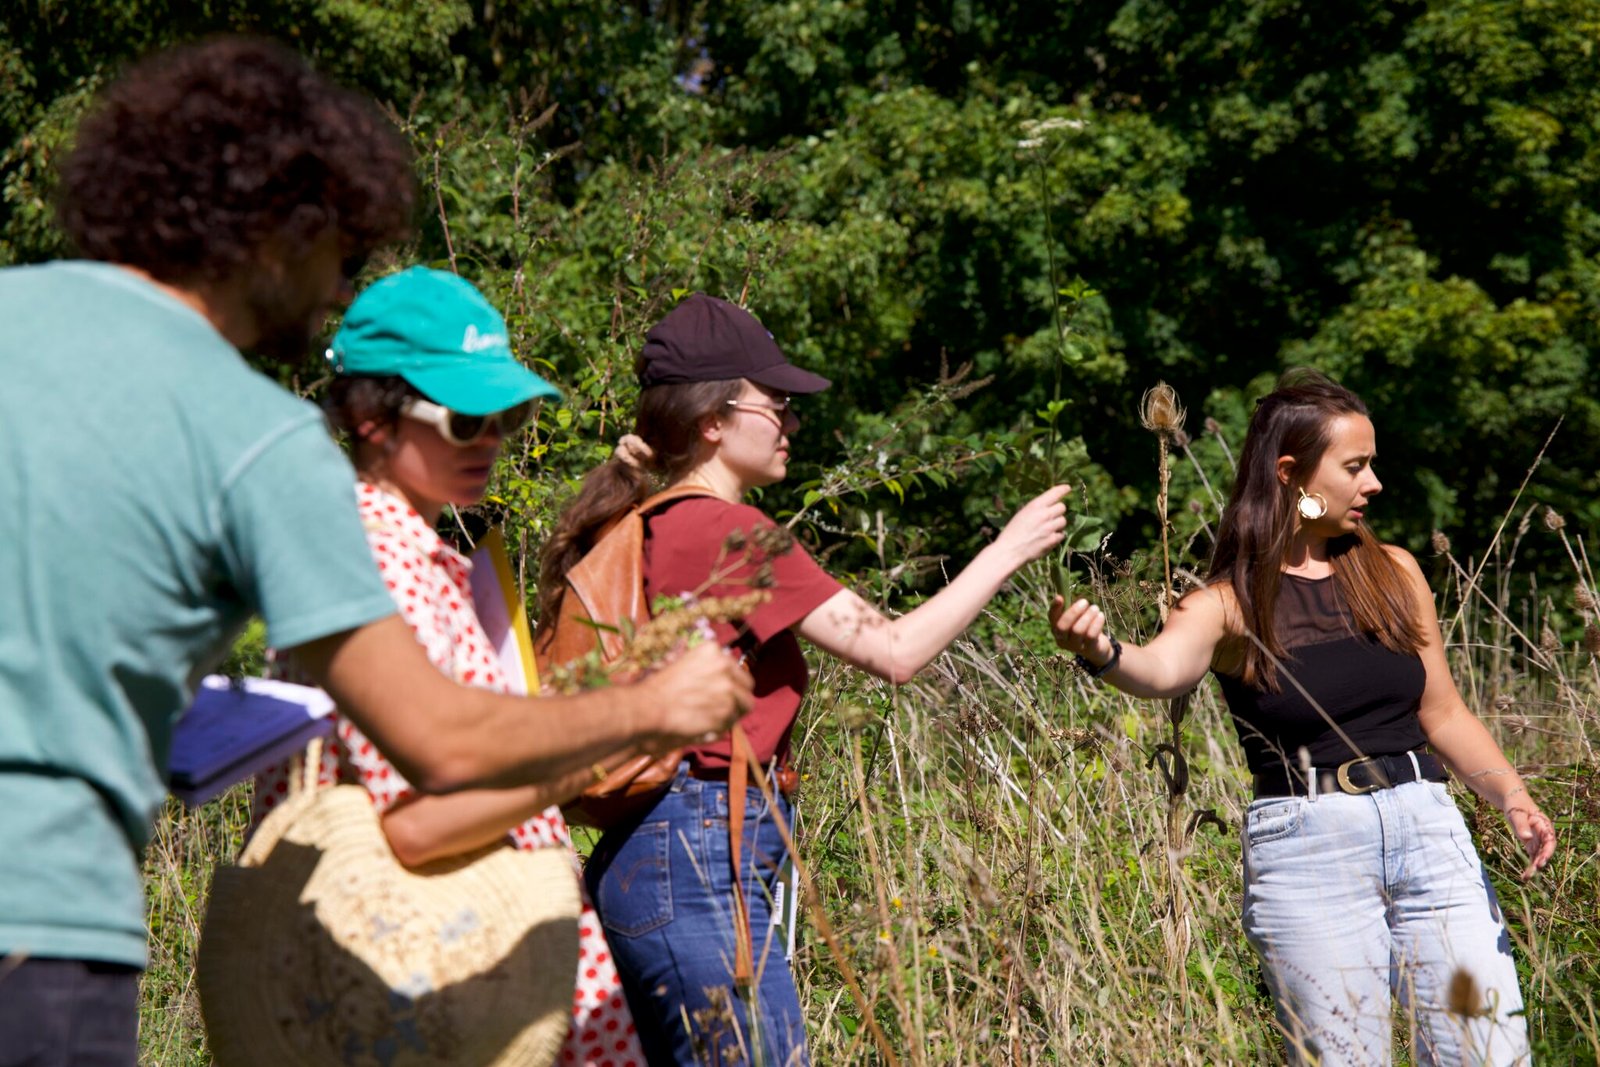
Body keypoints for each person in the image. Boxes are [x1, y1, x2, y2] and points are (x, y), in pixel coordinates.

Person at [0, 38, 748, 1066]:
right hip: (41, 920)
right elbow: (435, 742)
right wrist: (655, 706)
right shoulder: (247, 430)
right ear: (278, 227)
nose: (331, 302)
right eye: (341, 255)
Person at [538, 293, 1070, 1066]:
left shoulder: (652, 521)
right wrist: (1008, 549)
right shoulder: (728, 531)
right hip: (696, 864)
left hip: (649, 863)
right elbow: (894, 650)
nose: (792, 421)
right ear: (711, 420)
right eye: (776, 403)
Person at [1050, 369, 1556, 1066]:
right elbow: (1160, 669)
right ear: (1292, 475)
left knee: (1489, 1052)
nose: (1374, 483)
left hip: (1432, 831)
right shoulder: (1228, 603)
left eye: (1371, 463)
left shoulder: (1397, 573)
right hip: (1311, 849)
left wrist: (1511, 794)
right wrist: (1101, 650)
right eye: (1355, 466)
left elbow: (1443, 712)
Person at [252, 266, 647, 1066]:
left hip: (472, 967)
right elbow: (416, 827)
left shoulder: (422, 557)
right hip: (435, 983)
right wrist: (614, 733)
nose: (495, 436)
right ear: (371, 418)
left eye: (510, 414)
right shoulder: (376, 563)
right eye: (468, 418)